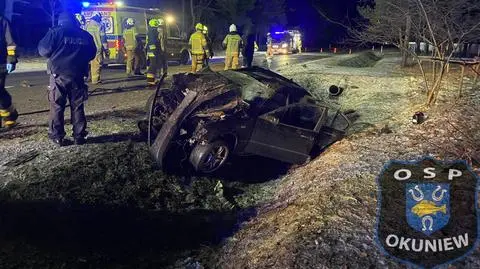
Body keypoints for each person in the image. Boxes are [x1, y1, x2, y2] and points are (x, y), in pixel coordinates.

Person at [38, 12, 96, 146]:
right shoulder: (85, 35)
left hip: (58, 75)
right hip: (78, 75)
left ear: (60, 22)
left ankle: (57, 136)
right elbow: (92, 54)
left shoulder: (55, 33)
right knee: (78, 106)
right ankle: (79, 136)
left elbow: (43, 51)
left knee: (57, 106)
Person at [0, 15, 18, 129]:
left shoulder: (2, 20)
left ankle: (10, 116)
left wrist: (11, 58)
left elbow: (10, 41)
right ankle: (11, 115)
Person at [86, 12, 108, 84]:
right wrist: (106, 48)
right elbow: (103, 38)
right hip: (97, 48)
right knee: (97, 64)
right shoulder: (100, 26)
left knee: (89, 64)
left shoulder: (87, 26)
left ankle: (88, 78)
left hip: (88, 48)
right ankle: (95, 80)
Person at [146, 18, 160, 84]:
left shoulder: (150, 30)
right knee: (153, 64)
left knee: (153, 64)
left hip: (150, 50)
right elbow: (153, 41)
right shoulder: (153, 31)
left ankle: (151, 80)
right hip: (153, 50)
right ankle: (151, 81)